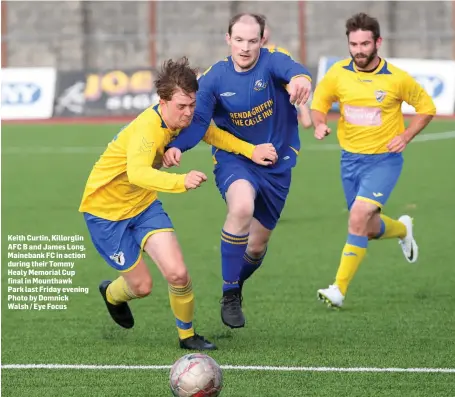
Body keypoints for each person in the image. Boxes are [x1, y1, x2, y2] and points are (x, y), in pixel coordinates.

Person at [79, 57, 278, 350]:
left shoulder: (180, 119)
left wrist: (251, 151)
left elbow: (208, 132)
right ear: (162, 101)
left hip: (143, 206)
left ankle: (187, 336)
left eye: (192, 104)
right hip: (106, 214)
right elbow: (137, 172)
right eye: (181, 107)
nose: (188, 113)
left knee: (178, 274)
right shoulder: (148, 128)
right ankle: (111, 294)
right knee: (141, 287)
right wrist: (180, 181)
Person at [163, 13, 312, 329]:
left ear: (262, 40)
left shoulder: (271, 64)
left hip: (276, 164)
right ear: (228, 39)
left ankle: (236, 285)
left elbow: (293, 70)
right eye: (239, 40)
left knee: (256, 247)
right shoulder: (214, 79)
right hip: (236, 160)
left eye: (252, 40)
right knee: (241, 206)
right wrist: (178, 147)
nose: (245, 48)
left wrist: (301, 80)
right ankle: (230, 294)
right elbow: (199, 123)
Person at [310, 13, 436, 308]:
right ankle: (403, 229)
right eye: (354, 44)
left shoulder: (397, 78)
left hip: (384, 161)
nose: (359, 50)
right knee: (367, 226)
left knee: (357, 217)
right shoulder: (338, 73)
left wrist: (405, 137)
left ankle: (338, 289)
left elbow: (426, 108)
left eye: (365, 43)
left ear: (377, 42)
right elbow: (320, 103)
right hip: (350, 161)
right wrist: (318, 123)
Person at [261, 17, 312, 129]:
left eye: (264, 28)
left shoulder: (280, 54)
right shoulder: (244, 57)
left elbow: (293, 82)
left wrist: (304, 111)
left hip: (277, 112)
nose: (262, 32)